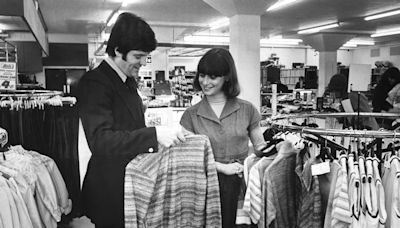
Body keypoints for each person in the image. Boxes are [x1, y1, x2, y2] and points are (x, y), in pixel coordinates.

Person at [77, 13, 185, 228]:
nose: (143, 62)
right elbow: (101, 141)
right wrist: (153, 135)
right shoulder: (95, 83)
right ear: (117, 50)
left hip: (132, 182)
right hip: (111, 188)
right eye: (138, 56)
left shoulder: (128, 82)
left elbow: (131, 126)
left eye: (146, 56)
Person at [180, 48, 266, 227]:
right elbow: (187, 159)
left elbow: (260, 147)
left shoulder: (247, 110)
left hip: (240, 185)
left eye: (213, 77)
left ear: (227, 77)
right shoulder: (190, 115)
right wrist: (220, 167)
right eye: (202, 75)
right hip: (205, 185)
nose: (205, 82)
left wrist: (280, 149)